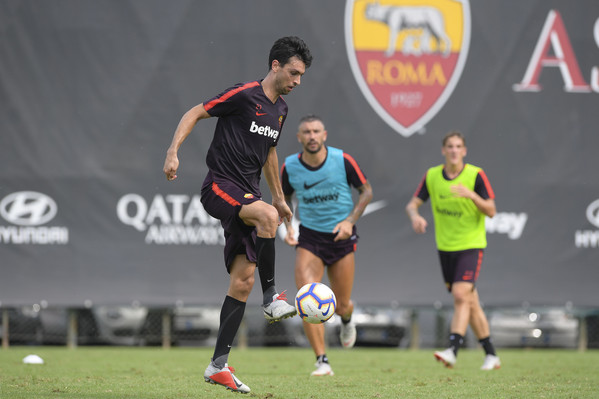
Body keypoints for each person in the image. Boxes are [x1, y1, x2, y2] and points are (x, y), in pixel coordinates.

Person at [163, 36, 312, 393]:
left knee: (242, 281)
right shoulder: (245, 94)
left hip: (251, 195)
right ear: (275, 65)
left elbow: (270, 153)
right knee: (265, 219)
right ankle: (273, 297)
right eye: (293, 72)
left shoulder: (281, 111)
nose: (297, 81)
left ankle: (218, 365)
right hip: (220, 185)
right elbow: (195, 112)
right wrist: (173, 151)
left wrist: (278, 197)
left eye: (302, 76)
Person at [281, 115, 373, 376]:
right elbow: (284, 197)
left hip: (341, 238)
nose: (312, 136)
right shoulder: (289, 166)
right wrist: (289, 228)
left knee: (341, 304)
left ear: (325, 135)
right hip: (310, 238)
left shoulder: (342, 160)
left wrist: (349, 221)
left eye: (316, 131)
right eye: (306, 132)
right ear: (299, 137)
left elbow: (367, 192)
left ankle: (346, 319)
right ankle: (322, 360)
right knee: (305, 299)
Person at [405, 130, 501, 371]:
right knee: (470, 301)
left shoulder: (475, 175)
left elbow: (491, 210)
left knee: (460, 296)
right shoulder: (433, 175)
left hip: (471, 245)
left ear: (464, 151)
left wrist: (471, 195)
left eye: (458, 146)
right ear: (443, 150)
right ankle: (491, 355)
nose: (454, 150)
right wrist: (416, 217)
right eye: (450, 146)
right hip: (445, 248)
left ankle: (452, 349)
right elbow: (412, 204)